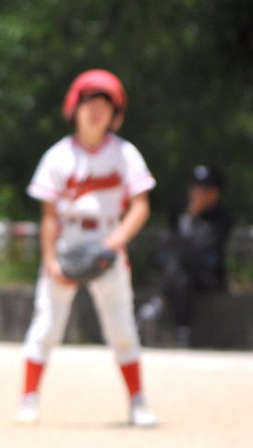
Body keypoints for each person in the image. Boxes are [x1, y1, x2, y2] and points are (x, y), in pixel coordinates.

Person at [15, 69, 159, 427]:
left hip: (109, 243)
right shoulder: (58, 156)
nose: (96, 111)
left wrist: (115, 243)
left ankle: (138, 401)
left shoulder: (124, 153)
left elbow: (140, 206)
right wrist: (51, 260)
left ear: (115, 114)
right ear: (74, 109)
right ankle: (29, 398)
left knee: (122, 329)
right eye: (89, 103)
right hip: (68, 245)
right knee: (47, 326)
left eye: (104, 105)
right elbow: (49, 216)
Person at [137, 164, 234, 347]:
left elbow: (201, 247)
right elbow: (171, 243)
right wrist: (189, 215)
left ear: (214, 193)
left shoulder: (222, 218)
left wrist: (193, 215)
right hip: (183, 275)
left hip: (209, 275)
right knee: (182, 274)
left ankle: (157, 303)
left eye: (202, 189)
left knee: (184, 261)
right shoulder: (179, 211)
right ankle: (182, 331)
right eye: (195, 187)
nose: (196, 193)